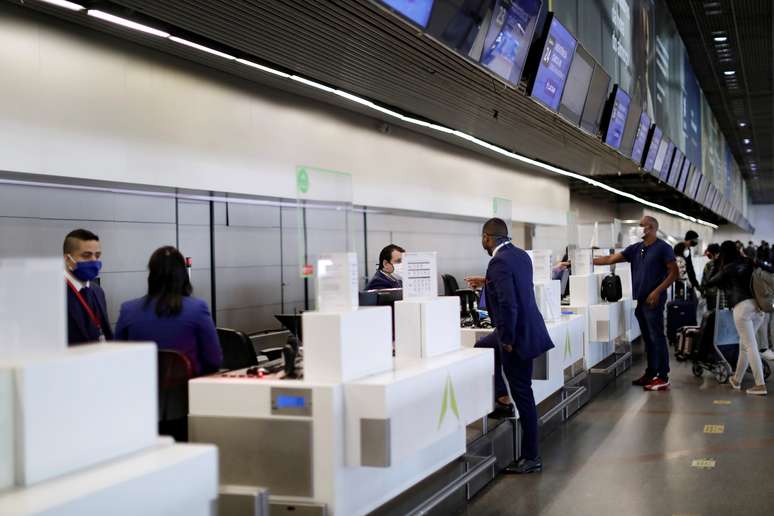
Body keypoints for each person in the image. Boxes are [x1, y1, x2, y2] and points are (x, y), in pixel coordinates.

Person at [464, 218, 554, 474]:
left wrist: (508, 340)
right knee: (483, 346)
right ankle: (501, 399)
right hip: (527, 328)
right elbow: (512, 286)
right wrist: (487, 282)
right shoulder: (521, 255)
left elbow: (509, 304)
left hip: (516, 335)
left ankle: (531, 457)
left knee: (524, 394)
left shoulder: (498, 261)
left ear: (486, 238)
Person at [593, 216, 678, 391]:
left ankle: (663, 376)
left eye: (641, 226)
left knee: (657, 337)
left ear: (651, 227)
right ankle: (651, 372)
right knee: (648, 338)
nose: (638, 229)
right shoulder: (636, 249)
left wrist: (657, 291)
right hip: (640, 301)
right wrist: (579, 261)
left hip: (654, 301)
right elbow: (610, 259)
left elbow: (674, 273)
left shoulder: (663, 248)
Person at [115, 246, 222, 376]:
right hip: (188, 391)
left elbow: (118, 359)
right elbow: (214, 360)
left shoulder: (128, 309)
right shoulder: (198, 308)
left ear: (151, 275)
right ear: (182, 274)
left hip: (141, 391)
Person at [704, 241, 774, 395]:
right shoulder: (748, 262)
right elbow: (769, 270)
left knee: (750, 345)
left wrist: (716, 263)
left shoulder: (727, 269)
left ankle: (760, 385)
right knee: (745, 345)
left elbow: (709, 282)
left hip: (742, 308)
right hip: (758, 308)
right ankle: (736, 380)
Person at [64, 229, 113, 345]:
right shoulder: (54, 293)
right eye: (86, 255)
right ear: (67, 259)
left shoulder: (98, 291)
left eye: (97, 255)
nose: (94, 261)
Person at [701, 243, 721, 309]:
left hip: (711, 294)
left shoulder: (709, 265)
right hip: (723, 295)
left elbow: (704, 280)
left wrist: (702, 291)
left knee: (712, 314)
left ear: (712, 253)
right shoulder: (725, 263)